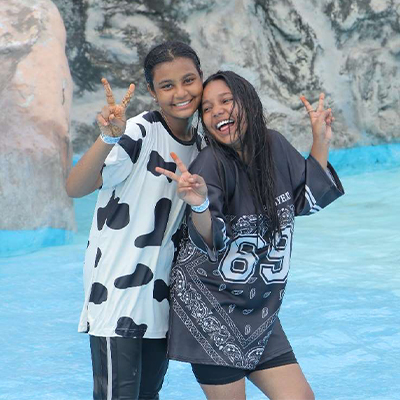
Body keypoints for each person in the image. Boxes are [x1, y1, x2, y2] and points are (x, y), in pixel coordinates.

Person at [156, 70, 345, 400]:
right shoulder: (210, 163)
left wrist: (320, 140)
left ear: (249, 104)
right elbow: (210, 238)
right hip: (210, 309)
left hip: (259, 311)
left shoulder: (273, 145)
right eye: (208, 108)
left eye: (226, 101)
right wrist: (199, 205)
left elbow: (305, 198)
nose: (217, 112)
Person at [66, 41, 204, 400]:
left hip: (159, 301)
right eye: (167, 85)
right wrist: (108, 137)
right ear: (152, 92)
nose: (180, 93)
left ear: (202, 79)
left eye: (189, 80)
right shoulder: (140, 131)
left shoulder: (202, 146)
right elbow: (75, 186)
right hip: (117, 295)